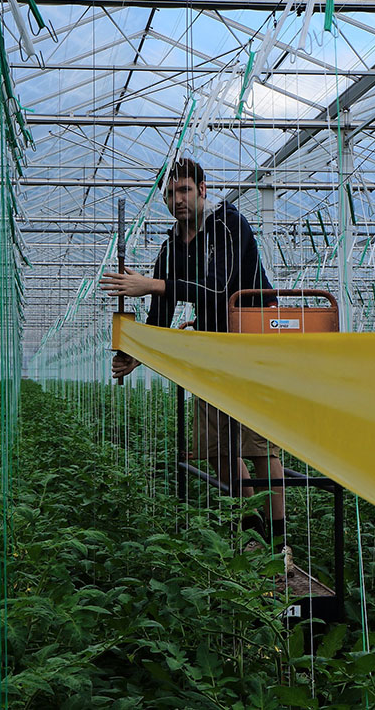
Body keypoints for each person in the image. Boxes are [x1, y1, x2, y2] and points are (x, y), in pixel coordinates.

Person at [100, 157, 286, 550]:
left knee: (257, 446)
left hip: (253, 343)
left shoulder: (228, 225)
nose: (177, 200)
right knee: (217, 446)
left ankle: (280, 539)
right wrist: (138, 353)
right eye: (170, 194)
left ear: (203, 189)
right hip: (213, 349)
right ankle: (252, 531)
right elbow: (161, 313)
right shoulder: (171, 247)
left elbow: (218, 289)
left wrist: (151, 284)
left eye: (184, 190)